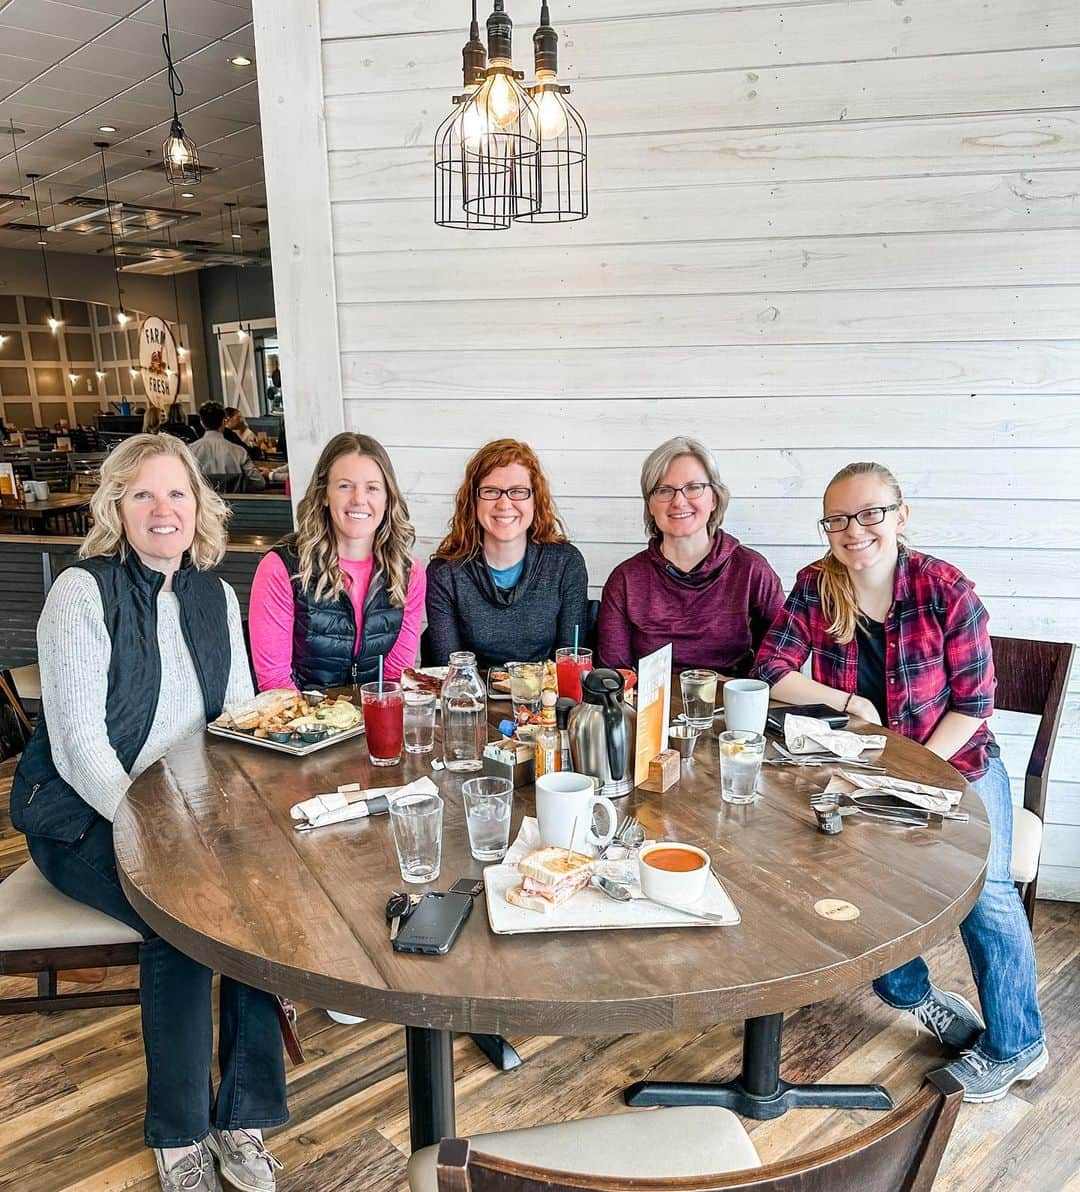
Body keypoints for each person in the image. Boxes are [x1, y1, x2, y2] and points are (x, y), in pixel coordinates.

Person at [9, 434, 286, 1191]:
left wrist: (238, 817)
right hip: (79, 817)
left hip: (190, 811)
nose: (164, 510)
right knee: (184, 920)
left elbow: (233, 718)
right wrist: (159, 838)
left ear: (201, 507)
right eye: (143, 495)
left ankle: (244, 1117)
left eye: (178, 494)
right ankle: (179, 1132)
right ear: (116, 509)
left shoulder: (213, 592)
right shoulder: (83, 593)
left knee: (256, 901)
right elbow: (79, 750)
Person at [753, 460, 1047, 1103]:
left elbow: (973, 708)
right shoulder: (814, 584)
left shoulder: (947, 590)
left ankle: (1018, 1045)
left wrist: (915, 772)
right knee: (825, 875)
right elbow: (772, 667)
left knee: (988, 891)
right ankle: (913, 994)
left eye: (870, 514)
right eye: (837, 519)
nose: (853, 530)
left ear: (900, 515)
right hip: (856, 768)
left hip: (959, 763)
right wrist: (842, 701)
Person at [248, 432, 426, 691]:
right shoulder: (282, 568)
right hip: (302, 723)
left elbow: (395, 678)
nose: (359, 499)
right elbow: (275, 685)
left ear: (387, 499)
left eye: (373, 488)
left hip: (373, 718)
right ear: (323, 494)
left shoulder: (407, 572)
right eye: (345, 486)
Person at [598, 436, 783, 674]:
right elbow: (614, 676)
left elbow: (782, 659)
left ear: (714, 498)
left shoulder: (751, 570)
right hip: (650, 709)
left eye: (694, 487)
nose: (679, 501)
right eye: (664, 490)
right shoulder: (625, 580)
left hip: (733, 705)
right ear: (650, 505)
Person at [425, 438, 588, 668]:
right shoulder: (445, 573)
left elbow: (568, 665)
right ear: (473, 500)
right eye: (491, 491)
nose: (504, 504)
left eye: (518, 492)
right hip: (472, 698)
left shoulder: (566, 564)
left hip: (546, 698)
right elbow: (449, 670)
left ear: (535, 499)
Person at [189, 402, 266, 491]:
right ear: (223, 422)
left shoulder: (189, 451)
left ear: (202, 423)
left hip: (203, 502)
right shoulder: (239, 452)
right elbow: (260, 483)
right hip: (236, 503)